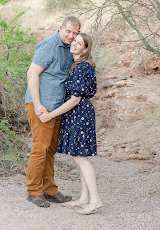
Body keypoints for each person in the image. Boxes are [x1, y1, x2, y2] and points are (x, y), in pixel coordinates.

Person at [40, 33, 103, 215]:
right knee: (80, 156)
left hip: (79, 114)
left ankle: (95, 200)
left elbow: (75, 99)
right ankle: (84, 198)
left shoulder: (82, 67)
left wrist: (51, 114)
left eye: (79, 44)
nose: (74, 45)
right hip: (81, 114)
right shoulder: (80, 66)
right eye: (74, 41)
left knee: (80, 158)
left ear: (85, 49)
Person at [25, 16, 81, 207]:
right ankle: (33, 191)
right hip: (42, 105)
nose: (71, 36)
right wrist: (38, 104)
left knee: (50, 150)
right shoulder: (48, 45)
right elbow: (32, 74)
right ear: (60, 28)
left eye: (75, 33)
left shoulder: (69, 49)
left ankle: (49, 190)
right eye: (68, 31)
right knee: (40, 148)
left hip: (56, 108)